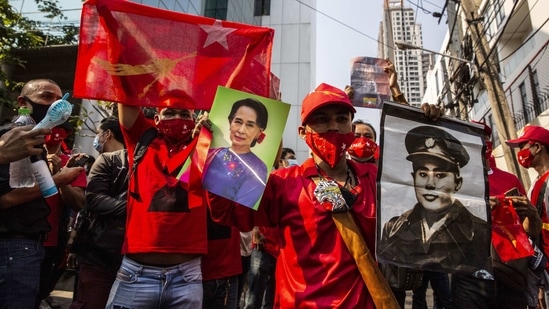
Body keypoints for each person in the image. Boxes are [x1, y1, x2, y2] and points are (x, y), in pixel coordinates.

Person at [209, 83, 444, 308]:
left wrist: (432, 127)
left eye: (341, 119)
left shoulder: (377, 179)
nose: (333, 127)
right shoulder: (282, 183)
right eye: (322, 120)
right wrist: (214, 152)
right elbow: (226, 212)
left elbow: (436, 191)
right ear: (303, 132)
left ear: (351, 127)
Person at [106, 93, 207, 308]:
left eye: (184, 114)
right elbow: (127, 94)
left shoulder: (206, 145)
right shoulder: (142, 138)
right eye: (169, 113)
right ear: (157, 120)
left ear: (194, 119)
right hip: (135, 275)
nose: (177, 118)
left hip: (186, 277)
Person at [0, 79, 83, 308]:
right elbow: (6, 199)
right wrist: (60, 179)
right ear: (22, 102)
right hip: (13, 247)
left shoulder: (37, 142)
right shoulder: (13, 139)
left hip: (30, 247)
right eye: (47, 97)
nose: (56, 106)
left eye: (60, 99)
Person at [450, 121, 541, 308]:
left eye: (484, 137)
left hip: (511, 275)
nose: (481, 141)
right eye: (473, 136)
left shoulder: (510, 180)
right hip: (470, 277)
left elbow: (530, 232)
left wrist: (532, 215)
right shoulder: (453, 181)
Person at [378, 125, 490, 273]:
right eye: (423, 174)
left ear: (458, 183)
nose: (430, 185)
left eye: (440, 175)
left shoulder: (478, 232)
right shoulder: (393, 228)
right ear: (413, 178)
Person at [69, 116, 127, 309]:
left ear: (107, 134)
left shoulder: (140, 161)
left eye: (97, 134)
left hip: (124, 255)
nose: (96, 139)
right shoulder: (106, 161)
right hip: (98, 253)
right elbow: (91, 204)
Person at [37, 122, 87, 309]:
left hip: (52, 243)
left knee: (40, 291)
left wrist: (59, 177)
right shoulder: (18, 159)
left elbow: (78, 203)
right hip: (18, 239)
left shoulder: (72, 165)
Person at [505, 125, 549, 308]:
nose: (520, 153)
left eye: (522, 147)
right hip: (544, 266)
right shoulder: (535, 184)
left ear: (537, 147)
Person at [203, 98, 269, 209]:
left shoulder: (258, 168)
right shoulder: (210, 152)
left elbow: (239, 211)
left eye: (250, 125)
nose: (241, 130)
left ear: (259, 132)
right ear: (230, 122)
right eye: (238, 122)